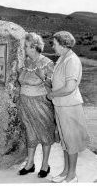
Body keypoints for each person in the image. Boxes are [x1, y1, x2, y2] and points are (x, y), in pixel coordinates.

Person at [48, 31, 90, 183]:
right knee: (65, 141)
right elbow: (60, 82)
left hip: (69, 106)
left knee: (71, 141)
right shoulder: (62, 58)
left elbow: (69, 87)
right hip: (62, 105)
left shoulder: (71, 60)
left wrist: (52, 94)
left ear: (63, 45)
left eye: (54, 43)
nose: (53, 46)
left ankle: (72, 176)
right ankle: (66, 171)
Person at [16, 32, 57, 178]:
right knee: (30, 133)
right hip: (25, 103)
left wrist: (42, 77)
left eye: (26, 47)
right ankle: (30, 164)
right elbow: (20, 80)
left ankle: (45, 165)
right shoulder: (26, 62)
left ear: (34, 47)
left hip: (40, 104)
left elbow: (54, 85)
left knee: (45, 133)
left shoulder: (47, 63)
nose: (24, 49)